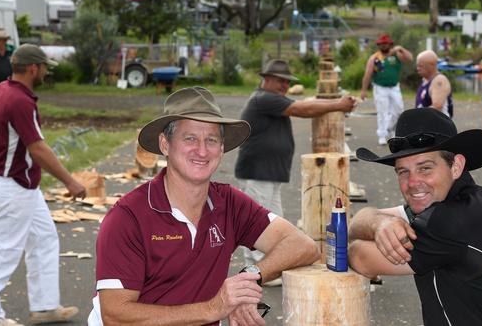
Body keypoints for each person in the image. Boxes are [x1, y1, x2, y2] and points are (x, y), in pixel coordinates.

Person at [89, 86, 320, 325]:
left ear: (221, 149)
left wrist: (247, 280)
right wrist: (214, 308)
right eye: (190, 138)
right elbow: (115, 316)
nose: (201, 150)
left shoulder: (229, 203)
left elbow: (303, 246)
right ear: (165, 145)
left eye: (211, 140)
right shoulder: (129, 217)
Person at [348, 108, 482, 325]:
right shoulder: (456, 201)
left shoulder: (456, 220)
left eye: (425, 168)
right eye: (403, 172)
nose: (412, 183)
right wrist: (380, 223)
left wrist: (375, 228)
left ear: (456, 166)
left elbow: (358, 256)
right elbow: (358, 220)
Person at [234, 60, 356, 285]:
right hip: (258, 172)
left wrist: (335, 101)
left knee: (272, 223)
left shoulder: (268, 98)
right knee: (257, 224)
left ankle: (267, 267)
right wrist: (338, 104)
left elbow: (305, 103)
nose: (284, 85)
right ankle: (259, 271)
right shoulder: (263, 98)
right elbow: (303, 109)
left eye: (287, 82)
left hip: (266, 172)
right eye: (280, 81)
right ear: (267, 79)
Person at [0, 44, 86, 326]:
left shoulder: (0, 90)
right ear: (33, 68)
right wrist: (70, 181)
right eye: (45, 67)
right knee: (4, 251)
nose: (46, 72)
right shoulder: (20, 101)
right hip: (12, 187)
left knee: (44, 239)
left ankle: (45, 306)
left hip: (19, 187)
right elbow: (38, 149)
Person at [360, 34, 413, 145]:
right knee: (382, 111)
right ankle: (382, 135)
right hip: (380, 88)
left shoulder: (396, 55)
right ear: (379, 45)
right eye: (381, 44)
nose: (384, 46)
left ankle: (391, 129)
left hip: (394, 87)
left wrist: (401, 49)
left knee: (398, 111)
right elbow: (368, 74)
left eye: (386, 43)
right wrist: (363, 90)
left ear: (390, 44)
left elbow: (410, 58)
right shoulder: (374, 58)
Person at [414, 50, 453, 117]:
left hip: (438, 125)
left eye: (421, 66)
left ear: (432, 64)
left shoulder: (439, 80)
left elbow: (437, 106)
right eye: (417, 65)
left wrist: (416, 117)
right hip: (425, 124)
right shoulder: (425, 81)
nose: (418, 68)